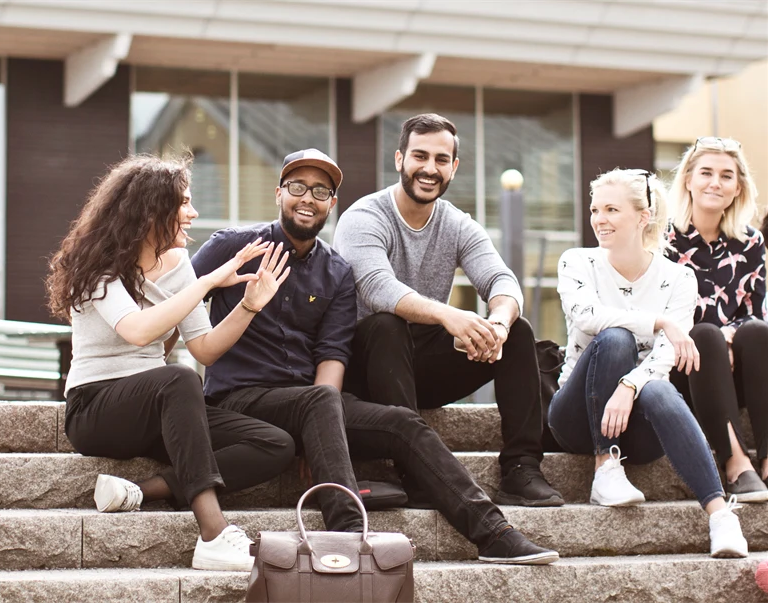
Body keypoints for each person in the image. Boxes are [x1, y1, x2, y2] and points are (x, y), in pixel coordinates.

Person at [192, 148, 559, 565]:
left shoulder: (336, 271)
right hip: (239, 399)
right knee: (324, 395)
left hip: (309, 402)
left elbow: (332, 354)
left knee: (401, 421)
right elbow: (178, 297)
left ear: (332, 204)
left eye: (320, 191)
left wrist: (321, 430)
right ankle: (351, 535)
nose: (307, 198)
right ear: (279, 193)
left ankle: (495, 533)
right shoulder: (234, 246)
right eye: (297, 187)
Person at [46, 154, 296, 572]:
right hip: (96, 409)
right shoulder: (98, 269)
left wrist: (248, 308)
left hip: (158, 407)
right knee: (179, 381)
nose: (193, 213)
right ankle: (213, 534)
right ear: (149, 211)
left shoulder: (179, 268)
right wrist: (208, 281)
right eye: (182, 203)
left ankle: (140, 493)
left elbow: (205, 349)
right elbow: (139, 331)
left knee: (276, 443)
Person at [333, 113, 563, 507]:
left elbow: (502, 282)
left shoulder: (457, 224)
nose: (429, 168)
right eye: (419, 156)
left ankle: (521, 468)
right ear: (399, 159)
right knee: (387, 325)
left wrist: (499, 324)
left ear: (453, 168)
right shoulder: (364, 217)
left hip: (419, 368)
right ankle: (415, 469)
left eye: (441, 160)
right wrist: (448, 315)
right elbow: (376, 288)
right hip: (364, 370)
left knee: (520, 330)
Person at [548, 167, 747, 558]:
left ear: (643, 217)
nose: (599, 220)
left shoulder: (678, 278)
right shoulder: (577, 262)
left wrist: (630, 385)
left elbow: (666, 356)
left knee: (659, 387)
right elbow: (588, 316)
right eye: (594, 210)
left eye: (610, 210)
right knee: (616, 338)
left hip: (637, 425)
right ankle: (605, 466)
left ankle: (722, 516)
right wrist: (659, 321)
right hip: (577, 417)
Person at [662, 137, 768, 500]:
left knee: (756, 331)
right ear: (688, 179)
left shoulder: (750, 243)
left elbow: (755, 312)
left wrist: (729, 337)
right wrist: (716, 339)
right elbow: (657, 314)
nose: (715, 183)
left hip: (735, 373)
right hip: (680, 371)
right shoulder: (662, 240)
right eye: (706, 172)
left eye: (726, 176)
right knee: (704, 334)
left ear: (737, 187)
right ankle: (736, 463)